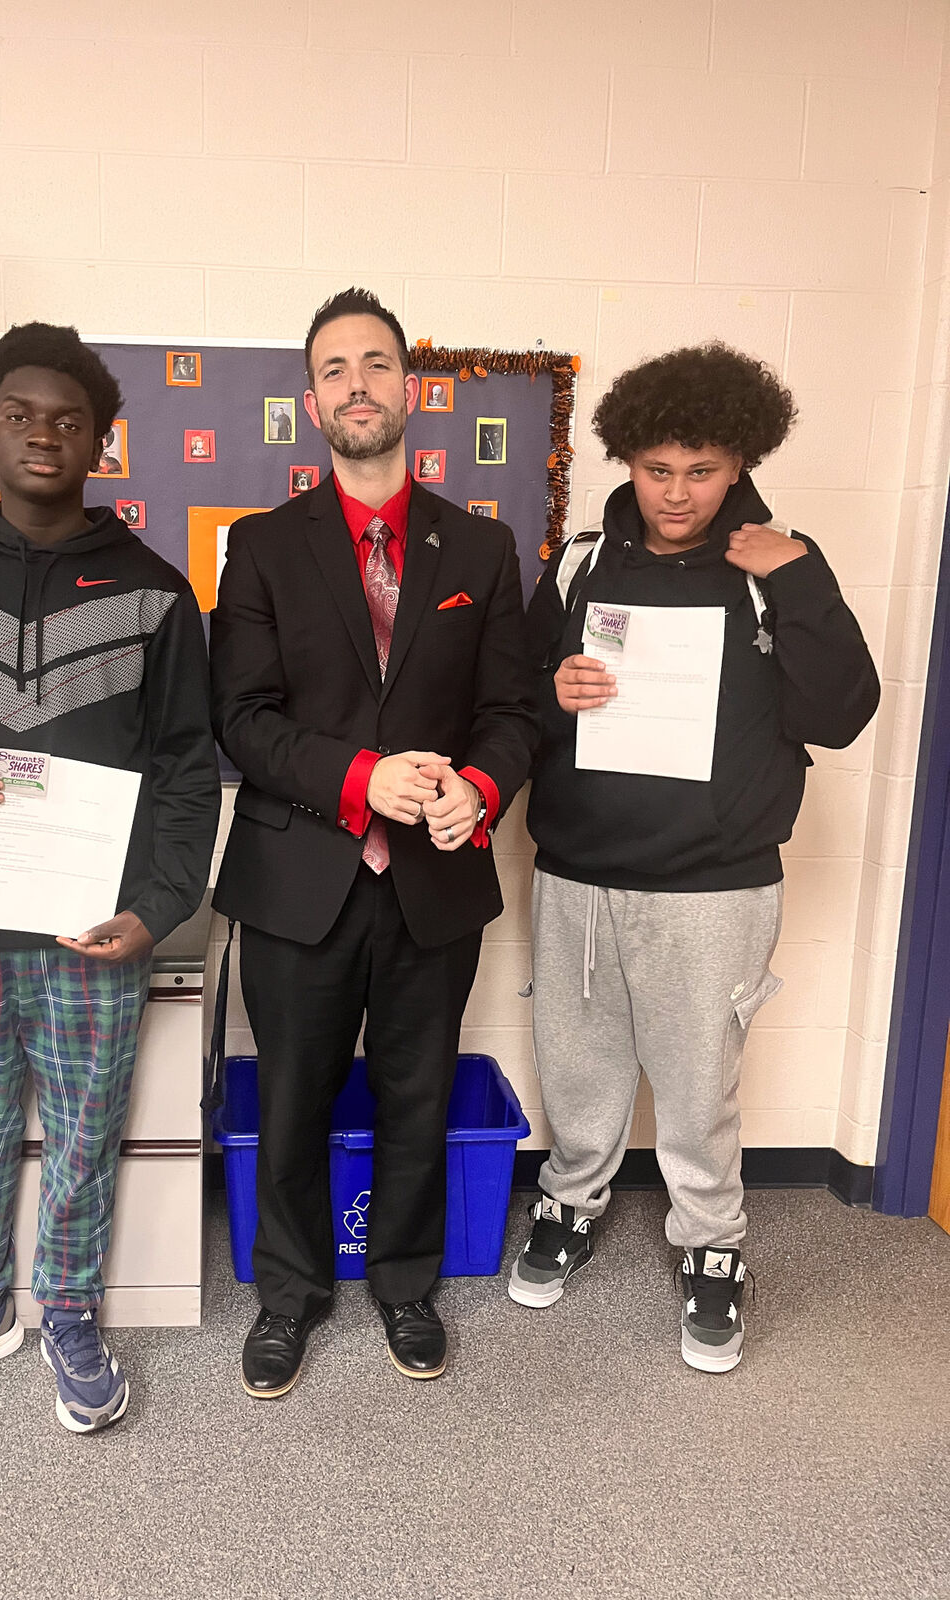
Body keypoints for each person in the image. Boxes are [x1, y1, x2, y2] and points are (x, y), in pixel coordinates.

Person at [0, 322, 220, 1431]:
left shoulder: (158, 593)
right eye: (20, 415)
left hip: (86, 933)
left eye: (69, 421)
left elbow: (185, 767)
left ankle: (66, 1310)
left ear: (100, 443)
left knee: (81, 1136)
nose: (43, 436)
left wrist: (156, 909)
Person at [512, 343, 879, 1372]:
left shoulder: (778, 568)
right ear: (627, 458)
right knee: (578, 1065)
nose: (678, 493)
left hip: (716, 883)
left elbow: (843, 713)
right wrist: (555, 693)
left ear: (741, 464)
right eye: (658, 468)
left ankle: (712, 1249)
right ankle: (570, 1203)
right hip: (580, 870)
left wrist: (798, 581)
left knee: (699, 1080)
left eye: (703, 470)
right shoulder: (582, 563)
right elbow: (512, 704)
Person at [210, 287, 537, 1398]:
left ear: (410, 388)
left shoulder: (483, 549)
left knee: (418, 1090)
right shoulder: (260, 548)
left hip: (436, 880)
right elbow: (241, 719)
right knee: (294, 1093)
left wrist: (481, 787)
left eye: (377, 363)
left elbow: (512, 710)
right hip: (301, 873)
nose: (358, 383)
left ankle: (405, 1282)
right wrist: (363, 778)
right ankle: (290, 1296)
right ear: (313, 401)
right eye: (336, 368)